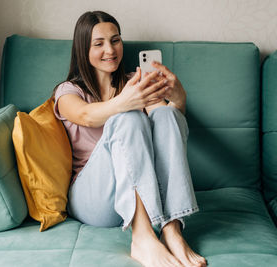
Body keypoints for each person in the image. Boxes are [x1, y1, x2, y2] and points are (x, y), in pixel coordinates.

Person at [53, 10, 207, 267]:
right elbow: (86, 116)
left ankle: (172, 230)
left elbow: (168, 130)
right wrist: (125, 102)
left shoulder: (133, 84)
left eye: (115, 40)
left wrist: (179, 99)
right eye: (98, 43)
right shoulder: (68, 90)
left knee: (167, 116)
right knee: (127, 117)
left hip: (144, 196)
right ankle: (143, 237)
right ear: (83, 49)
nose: (110, 50)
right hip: (94, 198)